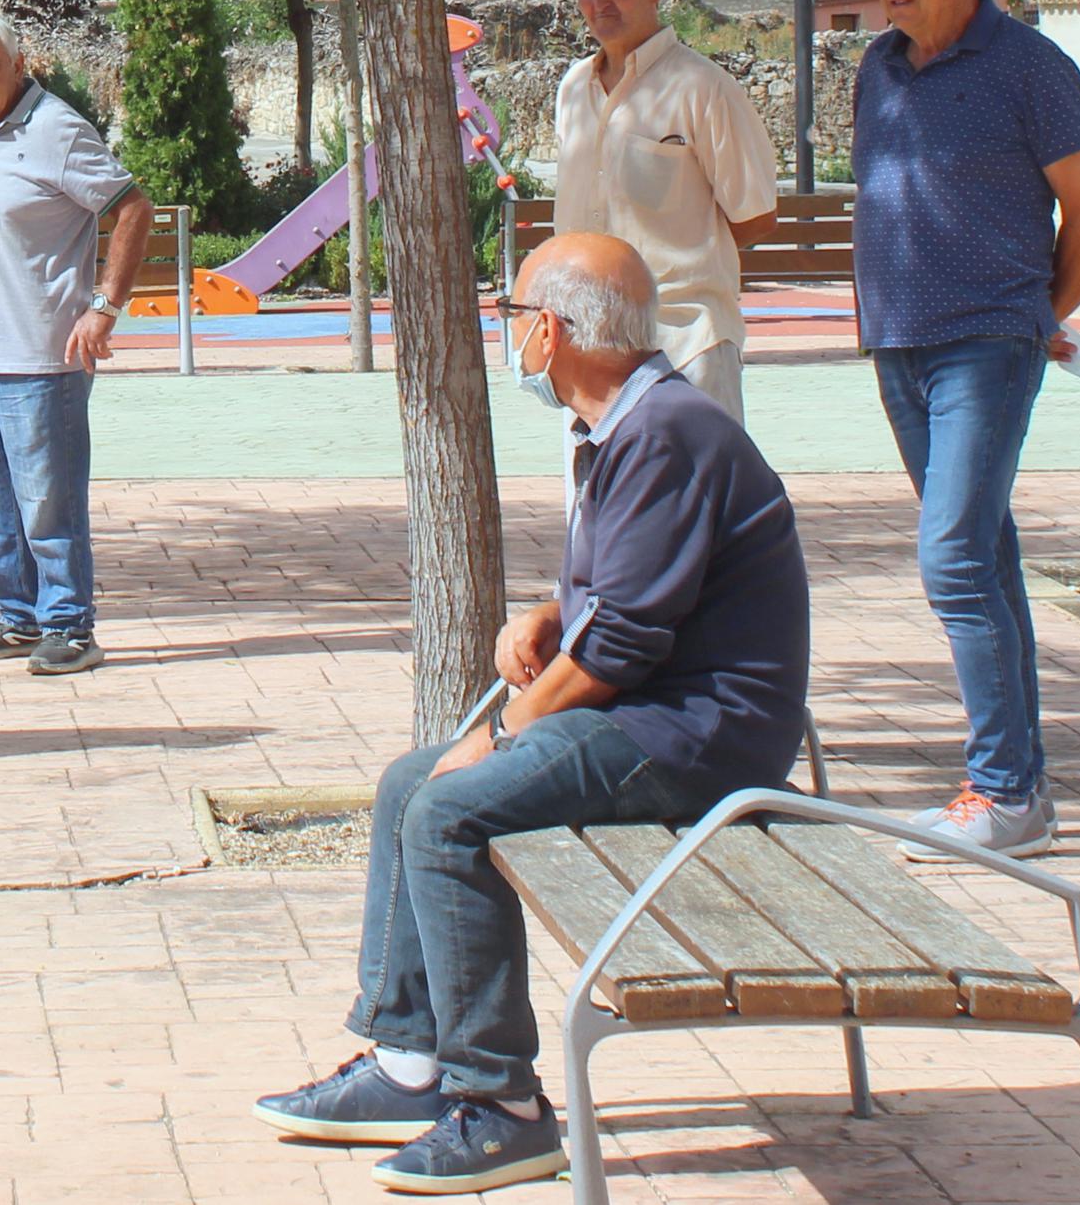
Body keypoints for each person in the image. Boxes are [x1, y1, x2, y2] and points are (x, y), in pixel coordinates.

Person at [254, 236, 809, 1194]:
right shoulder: (633, 423)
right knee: (405, 784)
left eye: (512, 316)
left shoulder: (665, 433)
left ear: (547, 332)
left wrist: (503, 731)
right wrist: (553, 615)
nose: (508, 334)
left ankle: (502, 1104)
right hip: (653, 711)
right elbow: (634, 598)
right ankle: (407, 1063)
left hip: (693, 737)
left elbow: (624, 647)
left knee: (447, 808)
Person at [849, 0, 1080, 859]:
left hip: (985, 347)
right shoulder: (875, 71)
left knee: (952, 559)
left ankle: (998, 792)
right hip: (897, 349)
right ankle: (1022, 797)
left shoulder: (1031, 71)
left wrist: (1037, 312)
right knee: (987, 562)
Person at [0, 6, 152, 679]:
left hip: (41, 357)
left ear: (17, 65)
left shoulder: (55, 127)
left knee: (48, 502)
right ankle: (17, 617)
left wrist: (104, 306)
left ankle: (69, 625)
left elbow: (132, 206)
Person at [551, 0, 781, 421]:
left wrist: (673, 265)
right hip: (589, 344)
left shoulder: (702, 88)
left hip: (683, 341)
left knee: (695, 496)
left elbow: (755, 217)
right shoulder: (573, 88)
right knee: (597, 497)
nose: (599, 2)